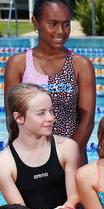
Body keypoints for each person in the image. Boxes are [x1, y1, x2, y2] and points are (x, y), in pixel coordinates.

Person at [4, 0, 95, 161]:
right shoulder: (18, 64)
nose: (60, 31)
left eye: (66, 24)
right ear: (35, 22)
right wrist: (33, 159)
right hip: (30, 160)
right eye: (53, 24)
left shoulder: (81, 65)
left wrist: (65, 156)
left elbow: (87, 121)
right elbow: (13, 119)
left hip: (72, 158)